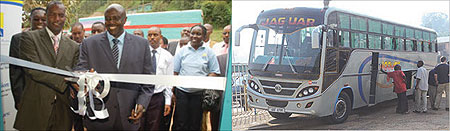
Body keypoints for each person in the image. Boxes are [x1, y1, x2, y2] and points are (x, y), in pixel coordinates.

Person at [75, 4, 154, 130]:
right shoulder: (89, 44)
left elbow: (149, 80)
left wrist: (142, 104)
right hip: (98, 116)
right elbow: (80, 71)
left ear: (125, 20)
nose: (111, 22)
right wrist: (84, 79)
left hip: (129, 115)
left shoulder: (142, 44)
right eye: (108, 19)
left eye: (116, 18)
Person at [14, 1, 80, 130]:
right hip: (35, 109)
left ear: (65, 18)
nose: (57, 19)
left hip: (63, 111)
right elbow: (33, 69)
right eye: (52, 15)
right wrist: (65, 81)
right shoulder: (29, 38)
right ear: (46, 16)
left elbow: (74, 72)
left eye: (61, 15)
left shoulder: (74, 46)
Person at [172, 25, 220, 130]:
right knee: (181, 122)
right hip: (182, 93)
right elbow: (175, 72)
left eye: (198, 34)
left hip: (199, 94)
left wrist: (202, 81)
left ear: (203, 36)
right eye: (192, 33)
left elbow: (215, 72)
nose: (194, 36)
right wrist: (173, 91)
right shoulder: (182, 51)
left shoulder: (209, 52)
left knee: (195, 123)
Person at [9, 7, 46, 110]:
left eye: (43, 20)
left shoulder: (53, 40)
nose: (40, 22)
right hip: (28, 96)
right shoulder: (18, 39)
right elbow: (15, 73)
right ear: (30, 20)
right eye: (36, 19)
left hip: (49, 97)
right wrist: (19, 99)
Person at [140, 27, 174, 130]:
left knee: (154, 126)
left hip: (157, 97)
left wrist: (168, 101)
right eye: (150, 35)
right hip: (141, 95)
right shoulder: (141, 54)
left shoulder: (167, 56)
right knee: (139, 124)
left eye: (155, 35)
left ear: (161, 37)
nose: (152, 37)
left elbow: (169, 80)